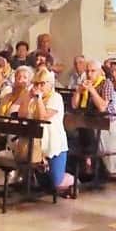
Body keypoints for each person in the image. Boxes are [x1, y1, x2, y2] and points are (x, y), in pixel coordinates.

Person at [73, 59, 116, 177]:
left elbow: (102, 107)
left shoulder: (106, 84)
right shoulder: (84, 84)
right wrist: (78, 92)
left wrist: (92, 90)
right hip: (90, 125)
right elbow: (75, 105)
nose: (90, 74)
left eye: (93, 71)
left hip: (107, 125)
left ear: (100, 72)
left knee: (112, 167)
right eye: (88, 71)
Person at [27, 68, 75, 197]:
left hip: (53, 143)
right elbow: (22, 114)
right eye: (36, 84)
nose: (39, 87)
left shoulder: (56, 98)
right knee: (45, 182)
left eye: (43, 84)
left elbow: (43, 116)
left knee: (56, 182)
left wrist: (38, 98)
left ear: (51, 84)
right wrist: (27, 97)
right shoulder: (35, 99)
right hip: (37, 143)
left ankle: (74, 181)